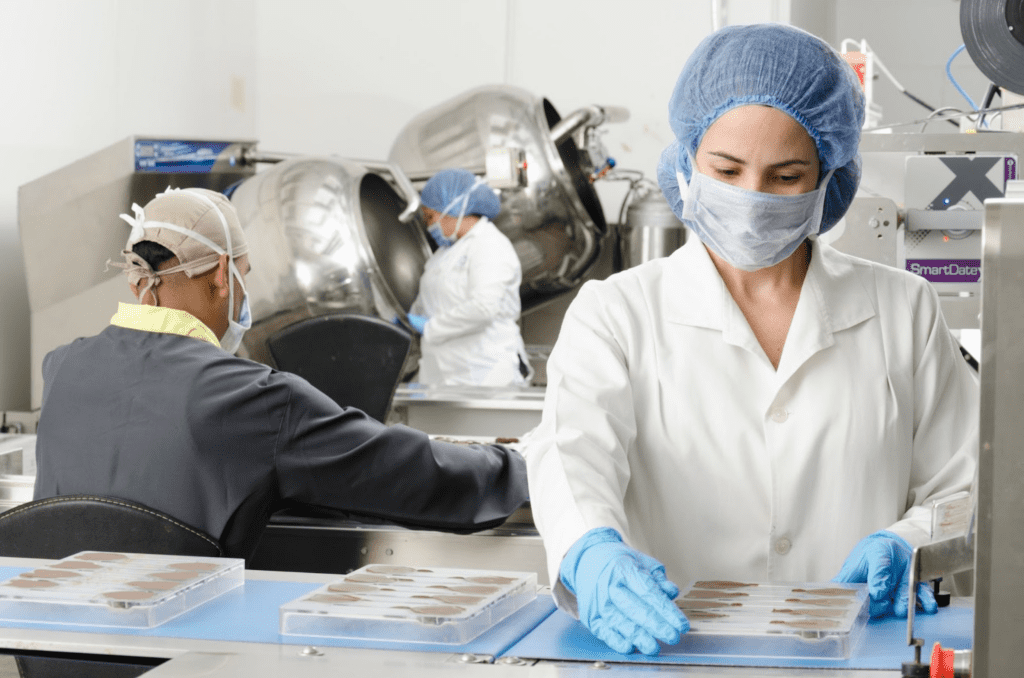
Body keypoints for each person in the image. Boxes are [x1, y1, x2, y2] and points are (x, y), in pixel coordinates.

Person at [524, 24, 978, 656]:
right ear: (687, 162)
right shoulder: (617, 312)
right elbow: (572, 461)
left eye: (786, 175)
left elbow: (966, 481)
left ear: (829, 177)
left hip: (853, 656)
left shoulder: (903, 308)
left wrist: (912, 542)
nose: (751, 198)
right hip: (671, 655)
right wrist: (590, 550)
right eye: (727, 169)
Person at [34, 187, 529, 558]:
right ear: (223, 277)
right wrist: (523, 465)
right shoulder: (250, 399)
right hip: (184, 652)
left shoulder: (60, 369)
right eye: (244, 277)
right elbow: (408, 472)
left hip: (61, 648)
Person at [408, 168, 533, 387]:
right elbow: (430, 299)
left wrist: (429, 327)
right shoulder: (443, 253)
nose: (429, 226)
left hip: (485, 374)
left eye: (430, 217)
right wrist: (409, 318)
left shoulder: (489, 245)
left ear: (453, 207)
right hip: (442, 376)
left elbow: (483, 308)